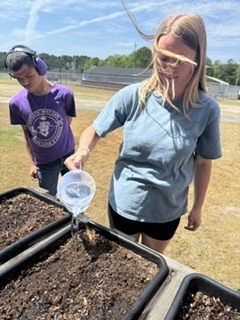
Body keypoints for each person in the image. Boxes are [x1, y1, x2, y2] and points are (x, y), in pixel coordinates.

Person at [64, 13, 222, 254]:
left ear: (198, 60)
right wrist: (83, 152)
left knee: (150, 268)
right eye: (161, 57)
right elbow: (94, 130)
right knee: (121, 266)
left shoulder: (207, 110)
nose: (167, 67)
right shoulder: (133, 95)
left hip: (166, 210)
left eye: (177, 60)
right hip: (125, 204)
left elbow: (203, 163)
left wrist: (198, 207)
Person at [5, 45, 76, 196]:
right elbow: (26, 133)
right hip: (44, 163)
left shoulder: (65, 95)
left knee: (75, 196)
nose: (25, 82)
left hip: (69, 155)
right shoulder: (15, 103)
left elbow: (66, 122)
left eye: (29, 75)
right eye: (19, 78)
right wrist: (32, 163)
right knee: (49, 202)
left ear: (40, 68)